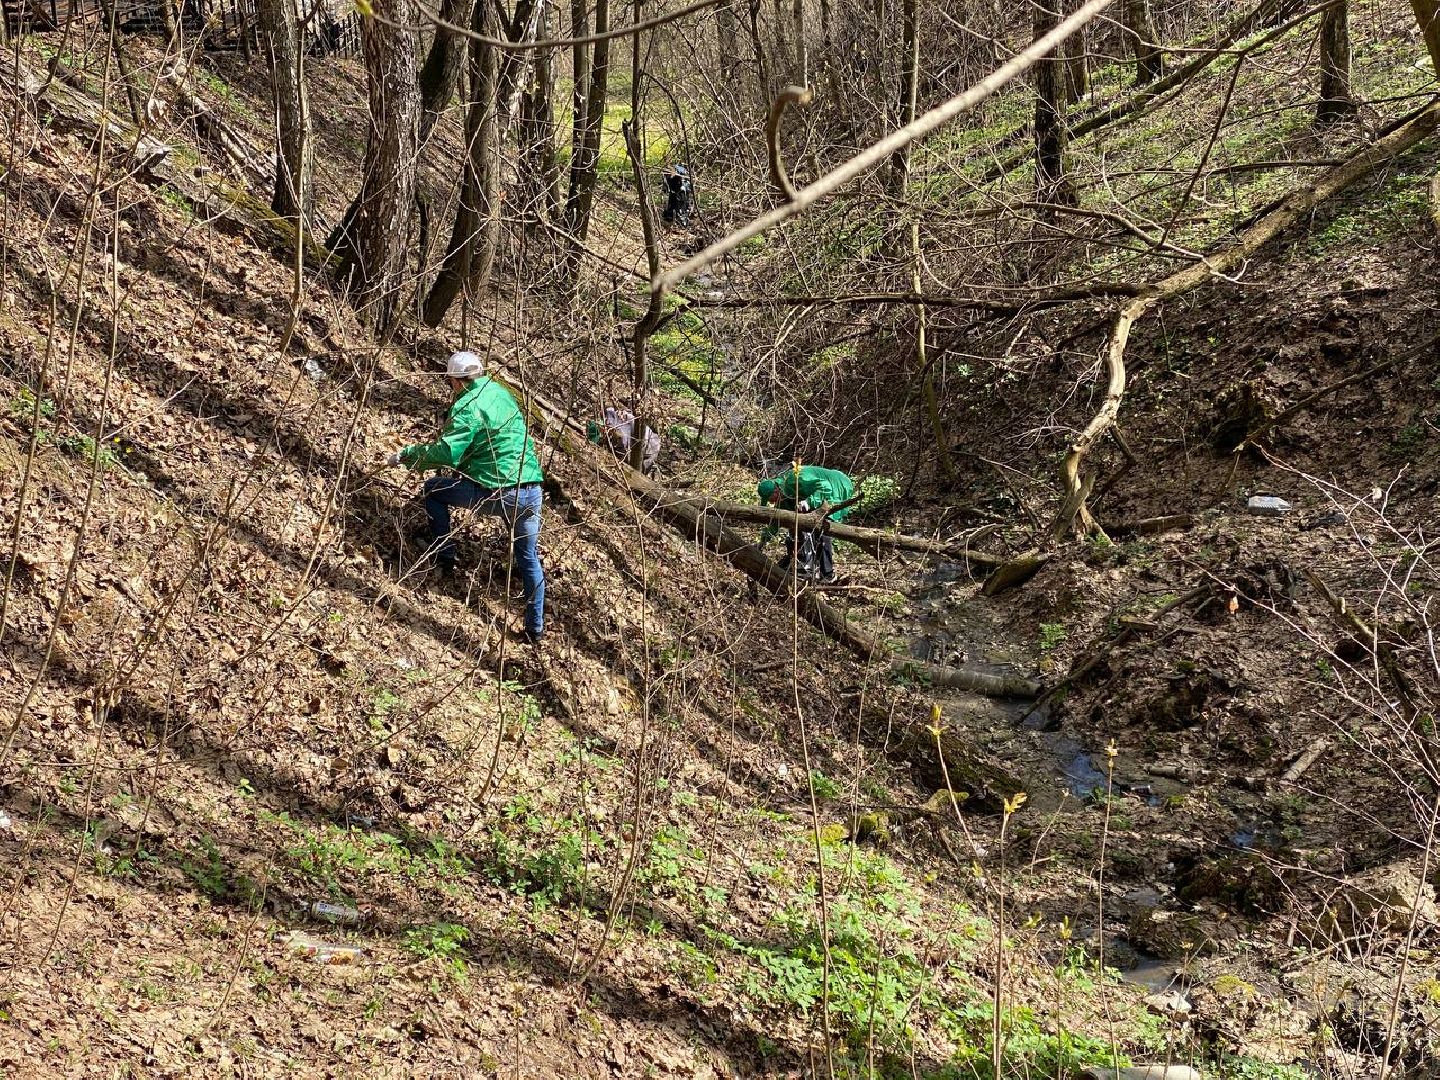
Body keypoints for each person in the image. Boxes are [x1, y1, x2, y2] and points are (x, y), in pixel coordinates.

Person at [386, 351, 547, 642]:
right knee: (527, 556)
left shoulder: (469, 405)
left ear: (457, 381)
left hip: (498, 491)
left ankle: (444, 556)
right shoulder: (499, 392)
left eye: (451, 382)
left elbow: (448, 452)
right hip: (532, 489)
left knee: (433, 491)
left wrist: (408, 456)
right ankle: (535, 629)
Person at [757, 464, 856, 584]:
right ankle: (805, 566)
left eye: (770, 498)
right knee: (798, 524)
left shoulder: (795, 479)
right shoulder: (782, 498)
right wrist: (762, 541)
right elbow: (776, 522)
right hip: (822, 491)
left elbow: (826, 487)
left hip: (837, 485)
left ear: (776, 490)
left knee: (823, 527)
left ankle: (828, 575)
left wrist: (809, 502)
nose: (770, 502)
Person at [586, 406, 661, 475]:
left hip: (649, 447)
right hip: (648, 439)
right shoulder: (611, 415)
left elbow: (625, 453)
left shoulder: (620, 435)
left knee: (637, 473)